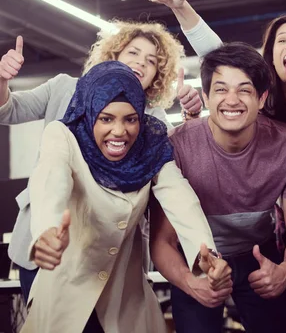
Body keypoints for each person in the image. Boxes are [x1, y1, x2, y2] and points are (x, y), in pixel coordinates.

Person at [0, 20, 221, 301]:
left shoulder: (154, 124)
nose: (140, 63)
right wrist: (2, 80)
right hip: (50, 240)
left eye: (151, 61)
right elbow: (7, 110)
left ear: (157, 75)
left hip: (109, 248)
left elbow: (174, 181)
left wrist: (191, 119)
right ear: (113, 54)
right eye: (133, 53)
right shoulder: (63, 89)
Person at [20, 61, 231, 333]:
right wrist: (47, 230)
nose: (120, 131)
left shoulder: (151, 145)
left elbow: (181, 199)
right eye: (106, 118)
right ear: (89, 112)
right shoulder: (64, 136)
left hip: (124, 297)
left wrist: (207, 255)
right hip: (65, 298)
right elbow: (51, 180)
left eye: (130, 119)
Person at [150, 42, 286, 333]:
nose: (232, 100)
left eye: (244, 90)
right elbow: (162, 242)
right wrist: (191, 283)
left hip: (256, 255)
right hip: (195, 260)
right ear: (206, 96)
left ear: (262, 98)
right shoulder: (176, 147)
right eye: (221, 89)